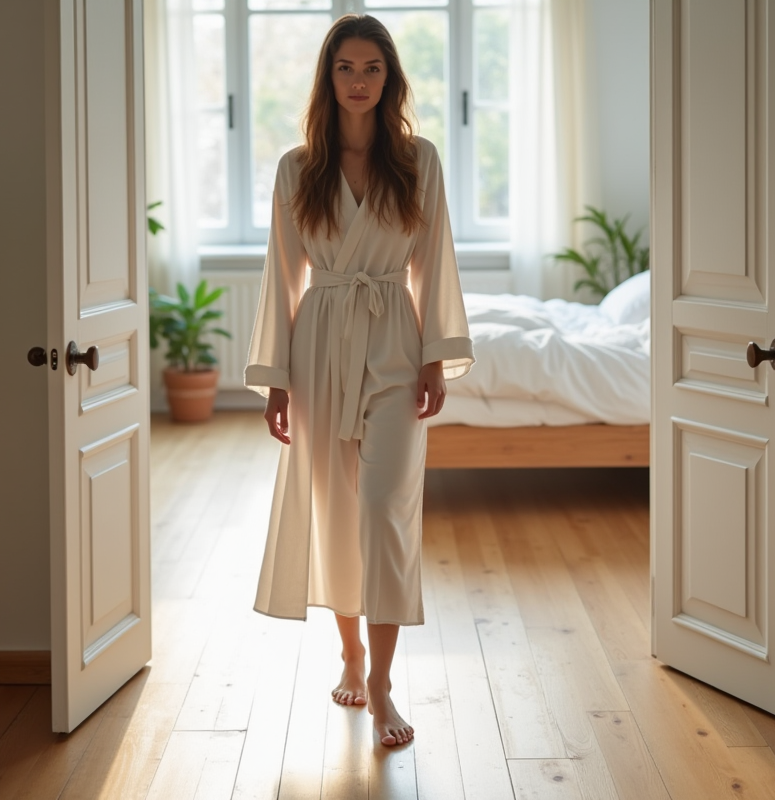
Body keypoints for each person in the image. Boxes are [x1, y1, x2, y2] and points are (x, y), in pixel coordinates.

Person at [244, 13, 473, 748]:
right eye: (346, 67)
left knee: (382, 510)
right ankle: (347, 653)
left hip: (396, 345)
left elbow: (434, 260)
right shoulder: (295, 168)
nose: (359, 82)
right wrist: (277, 377)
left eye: (372, 68)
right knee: (338, 512)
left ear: (390, 78)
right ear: (327, 76)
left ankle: (380, 683)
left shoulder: (419, 160)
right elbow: (282, 277)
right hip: (318, 349)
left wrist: (437, 355)